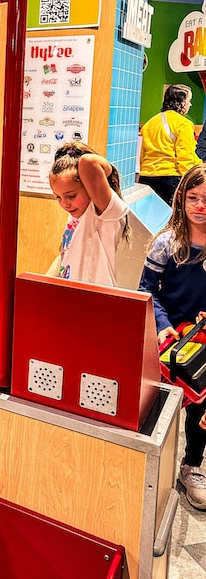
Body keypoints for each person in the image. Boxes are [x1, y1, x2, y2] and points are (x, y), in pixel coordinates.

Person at [138, 164, 206, 509]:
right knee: (159, 402)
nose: (200, 206)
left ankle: (191, 465)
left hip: (202, 342)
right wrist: (162, 324)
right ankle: (151, 465)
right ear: (180, 199)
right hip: (167, 340)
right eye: (193, 197)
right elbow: (147, 290)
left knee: (200, 406)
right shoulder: (167, 243)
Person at [47, 142, 130, 286]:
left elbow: (89, 162)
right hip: (72, 294)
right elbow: (64, 254)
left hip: (96, 297)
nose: (65, 204)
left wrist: (74, 151)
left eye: (71, 196)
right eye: (58, 197)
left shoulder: (105, 214)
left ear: (89, 187)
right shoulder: (76, 215)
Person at [139, 84, 200, 206]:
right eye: (189, 100)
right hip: (170, 179)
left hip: (146, 177)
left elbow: (143, 155)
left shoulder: (150, 123)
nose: (190, 104)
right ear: (181, 102)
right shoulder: (183, 124)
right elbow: (185, 157)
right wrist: (190, 181)